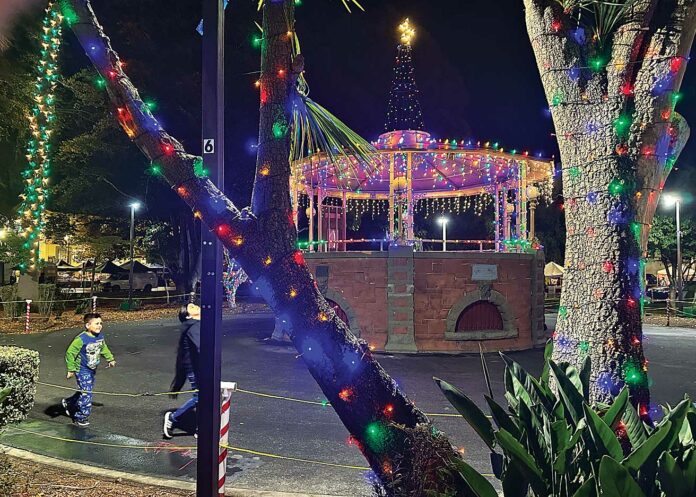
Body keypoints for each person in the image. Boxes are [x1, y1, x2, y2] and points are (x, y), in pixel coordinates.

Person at [62, 313, 116, 427]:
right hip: (82, 369)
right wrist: (71, 369)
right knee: (87, 393)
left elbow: (103, 347)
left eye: (101, 323)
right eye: (96, 324)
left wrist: (110, 358)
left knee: (85, 390)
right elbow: (70, 353)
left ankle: (69, 402)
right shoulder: (81, 339)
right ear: (87, 325)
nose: (99, 326)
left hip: (92, 369)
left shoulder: (100, 337)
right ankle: (81, 416)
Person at [163, 303, 201, 439]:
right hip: (195, 368)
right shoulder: (193, 326)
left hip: (199, 366)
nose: (196, 306)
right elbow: (199, 347)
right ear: (188, 315)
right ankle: (173, 418)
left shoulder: (197, 324)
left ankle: (199, 427)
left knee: (206, 397)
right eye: (192, 307)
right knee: (201, 397)